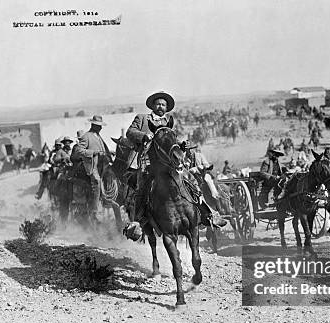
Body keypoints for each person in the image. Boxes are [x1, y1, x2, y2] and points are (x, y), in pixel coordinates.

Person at [123, 91, 224, 240]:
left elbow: (172, 142)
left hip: (167, 163)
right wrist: (143, 136)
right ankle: (138, 223)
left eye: (163, 105)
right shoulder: (142, 119)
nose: (160, 107)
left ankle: (208, 213)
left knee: (190, 180)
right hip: (146, 161)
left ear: (166, 108)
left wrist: (181, 145)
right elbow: (130, 132)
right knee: (142, 186)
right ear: (152, 105)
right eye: (158, 104)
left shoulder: (169, 122)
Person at [70, 115, 111, 222]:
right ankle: (94, 211)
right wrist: (93, 153)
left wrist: (108, 153)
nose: (100, 128)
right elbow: (79, 150)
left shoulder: (99, 137)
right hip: (92, 166)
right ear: (93, 125)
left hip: (102, 165)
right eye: (98, 126)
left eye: (101, 126)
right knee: (96, 182)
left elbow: (103, 150)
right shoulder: (86, 136)